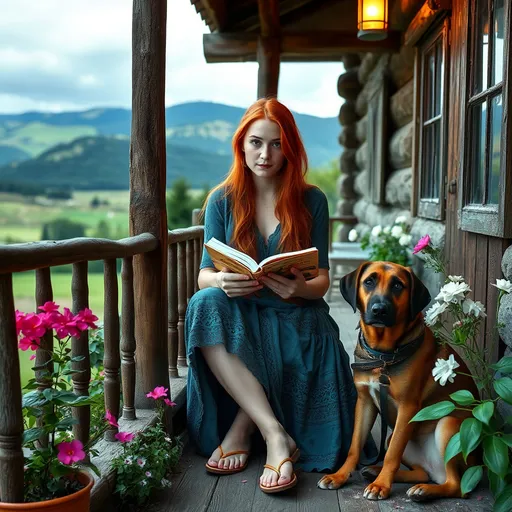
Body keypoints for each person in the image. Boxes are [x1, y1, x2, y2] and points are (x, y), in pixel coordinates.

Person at [185, 98, 375, 494]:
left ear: (289, 147)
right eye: (256, 143)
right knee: (203, 304)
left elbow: (322, 279)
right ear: (241, 145)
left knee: (291, 330)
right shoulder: (222, 200)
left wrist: (300, 288)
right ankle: (275, 434)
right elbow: (204, 273)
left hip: (295, 310)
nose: (265, 154)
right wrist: (221, 282)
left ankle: (243, 426)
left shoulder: (312, 199)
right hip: (243, 308)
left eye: (275, 144)